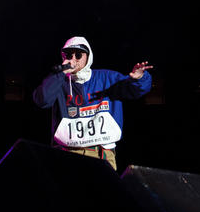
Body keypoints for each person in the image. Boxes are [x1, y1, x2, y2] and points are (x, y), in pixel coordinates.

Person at [33, 36, 153, 170]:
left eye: (78, 55)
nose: (73, 59)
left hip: (101, 154)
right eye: (68, 55)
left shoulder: (107, 78)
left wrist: (141, 78)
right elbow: (42, 100)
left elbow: (136, 90)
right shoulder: (59, 81)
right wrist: (61, 74)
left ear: (88, 57)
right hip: (67, 154)